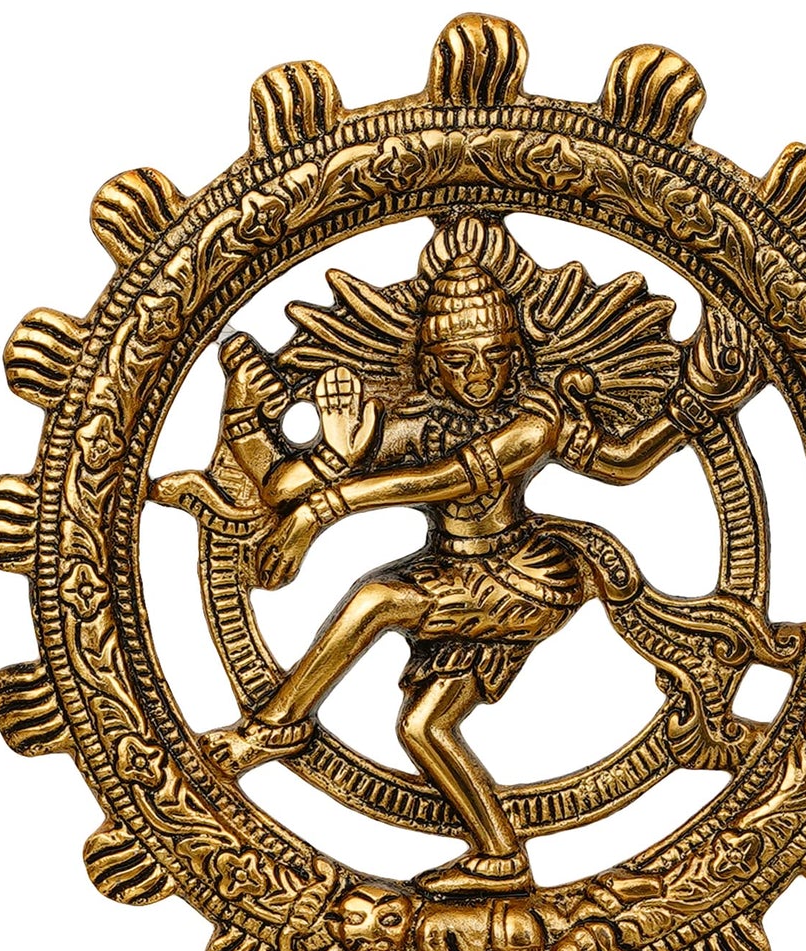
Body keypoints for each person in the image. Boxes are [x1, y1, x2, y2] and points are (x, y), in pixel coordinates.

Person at [204, 253, 744, 895]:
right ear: (430, 366)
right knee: (422, 727)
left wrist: (693, 404)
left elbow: (602, 464)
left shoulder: (534, 421)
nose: (480, 374)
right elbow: (279, 486)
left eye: (496, 356)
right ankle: (499, 855)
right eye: (459, 360)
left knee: (376, 598)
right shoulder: (411, 423)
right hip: (451, 570)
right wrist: (254, 419)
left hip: (524, 573)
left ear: (517, 358)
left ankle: (275, 729)